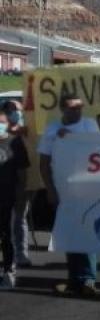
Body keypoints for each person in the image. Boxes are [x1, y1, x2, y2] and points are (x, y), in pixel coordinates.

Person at [38, 93, 100, 296]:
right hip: (63, 191)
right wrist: (50, 189)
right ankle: (74, 280)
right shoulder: (52, 129)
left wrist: (71, 138)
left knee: (86, 233)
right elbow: (44, 163)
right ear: (62, 109)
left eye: (79, 107)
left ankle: (88, 280)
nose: (77, 111)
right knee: (69, 233)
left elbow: (96, 151)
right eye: (72, 107)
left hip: (87, 190)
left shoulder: (90, 125)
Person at [2, 100, 33, 267]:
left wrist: (23, 187)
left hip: (21, 183)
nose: (18, 113)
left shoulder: (27, 131)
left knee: (19, 219)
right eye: (13, 110)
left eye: (19, 110)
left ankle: (21, 254)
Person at [0, 111, 29, 289]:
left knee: (6, 235)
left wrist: (20, 196)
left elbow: (22, 172)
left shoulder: (15, 142)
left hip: (7, 197)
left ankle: (9, 272)